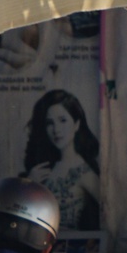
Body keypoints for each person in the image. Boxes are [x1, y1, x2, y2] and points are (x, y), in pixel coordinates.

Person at [22, 89, 102, 231]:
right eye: (49, 123)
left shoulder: (83, 171)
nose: (56, 130)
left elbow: (111, 210)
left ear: (76, 124)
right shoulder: (43, 167)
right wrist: (29, 184)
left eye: (63, 120)